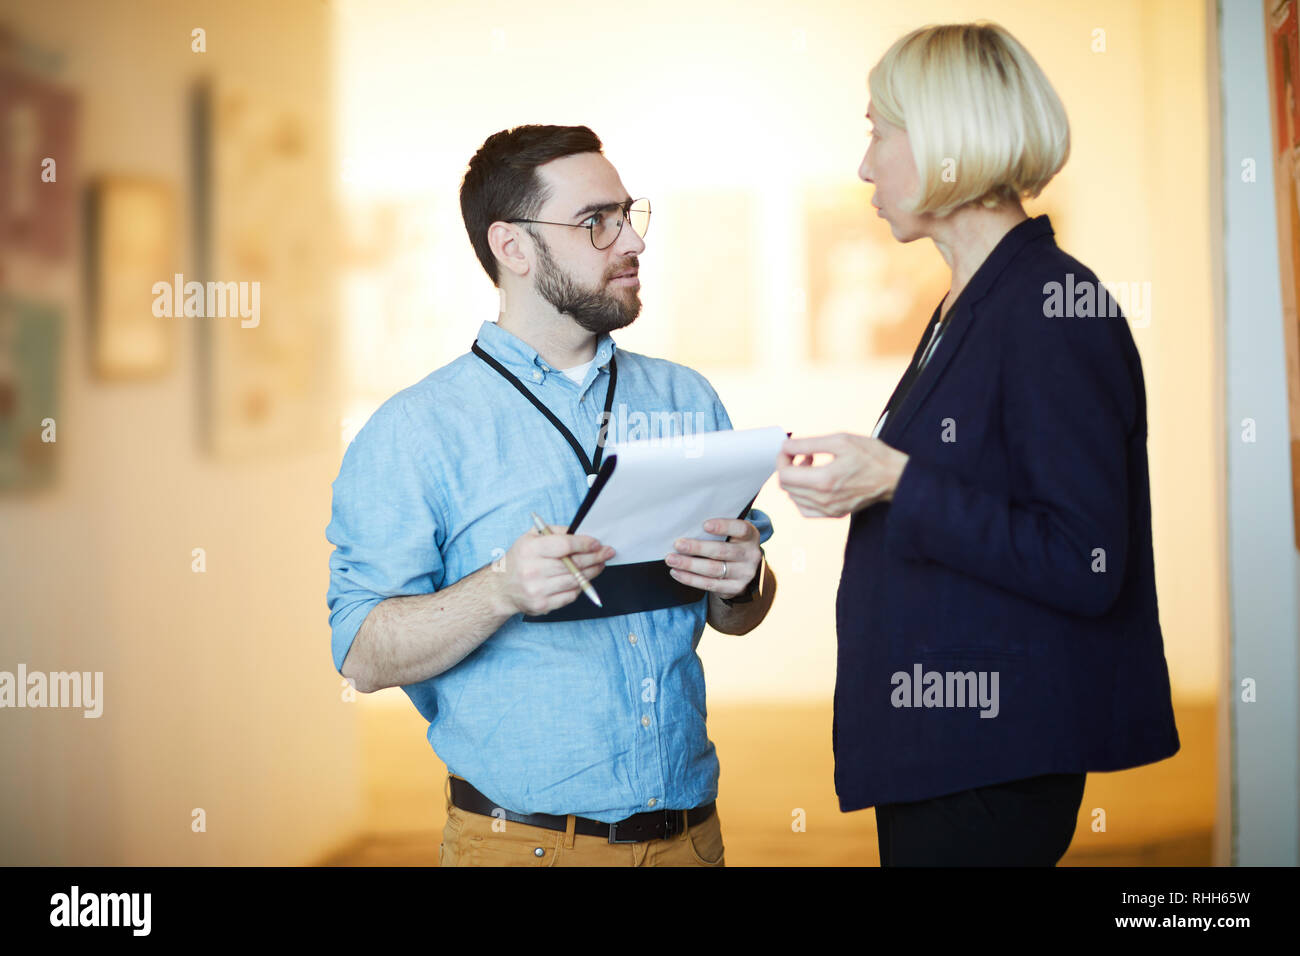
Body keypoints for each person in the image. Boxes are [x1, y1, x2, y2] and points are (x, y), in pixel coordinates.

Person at [776, 22, 1179, 866]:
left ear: (950, 138)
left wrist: (897, 481)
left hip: (991, 758)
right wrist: (875, 482)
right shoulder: (978, 300)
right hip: (950, 752)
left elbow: (1085, 559)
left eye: (880, 130)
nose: (864, 164)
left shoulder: (1051, 305)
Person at [326, 124, 777, 867]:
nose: (631, 241)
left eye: (630, 215)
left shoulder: (685, 396)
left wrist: (744, 582)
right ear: (514, 249)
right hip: (524, 849)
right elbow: (362, 654)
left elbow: (740, 615)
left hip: (693, 841)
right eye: (596, 222)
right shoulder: (414, 430)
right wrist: (500, 589)